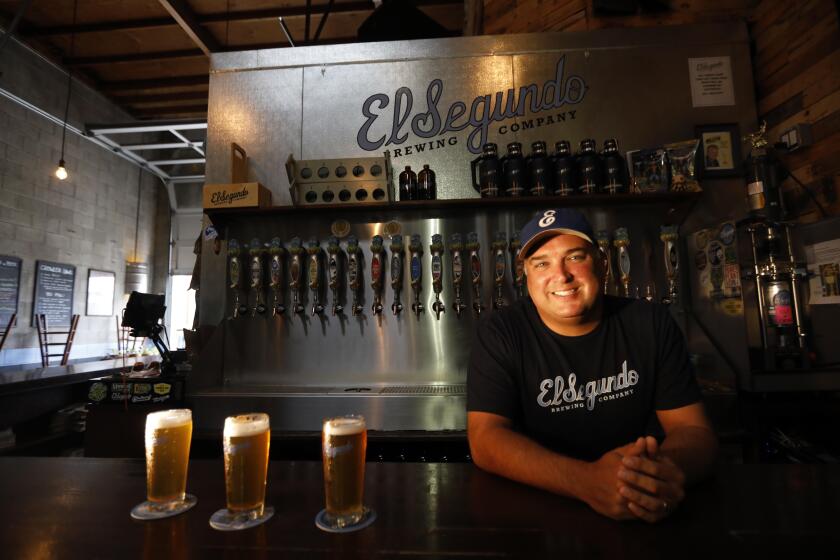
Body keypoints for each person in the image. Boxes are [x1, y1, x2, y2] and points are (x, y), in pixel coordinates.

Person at [467, 209, 718, 523]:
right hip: (541, 512)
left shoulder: (649, 323)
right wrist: (586, 481)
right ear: (526, 275)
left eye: (574, 257)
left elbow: (694, 431)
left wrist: (651, 475)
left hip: (643, 509)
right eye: (542, 263)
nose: (561, 275)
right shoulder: (501, 332)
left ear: (602, 262)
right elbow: (485, 439)